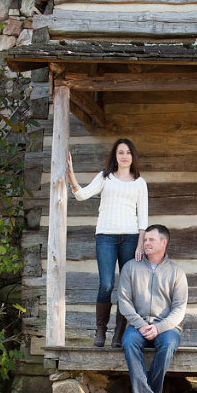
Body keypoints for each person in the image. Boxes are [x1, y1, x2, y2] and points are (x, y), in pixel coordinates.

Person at [67, 139, 148, 348]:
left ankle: (118, 334)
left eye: (128, 152)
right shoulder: (105, 178)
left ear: (133, 156)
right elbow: (83, 195)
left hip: (130, 238)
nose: (124, 156)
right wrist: (71, 175)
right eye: (120, 152)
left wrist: (140, 244)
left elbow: (143, 218)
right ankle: (101, 330)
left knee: (125, 286)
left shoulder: (140, 183)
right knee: (106, 283)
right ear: (115, 156)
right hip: (106, 237)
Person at [118, 224, 188, 393]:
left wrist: (159, 327)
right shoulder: (131, 267)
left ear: (163, 242)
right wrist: (140, 324)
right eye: (145, 240)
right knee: (129, 343)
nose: (146, 243)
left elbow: (179, 309)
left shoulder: (176, 272)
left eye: (151, 240)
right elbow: (124, 301)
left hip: (166, 328)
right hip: (138, 325)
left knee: (167, 346)